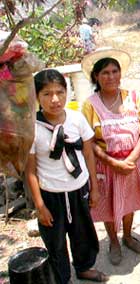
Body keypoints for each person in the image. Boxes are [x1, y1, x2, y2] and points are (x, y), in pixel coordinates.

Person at [25, 69, 108, 283]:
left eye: (60, 92)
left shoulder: (76, 118)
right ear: (36, 97)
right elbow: (30, 170)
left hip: (78, 189)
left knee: (83, 234)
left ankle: (84, 268)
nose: (55, 99)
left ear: (67, 92)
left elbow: (88, 153)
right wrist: (40, 205)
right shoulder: (32, 128)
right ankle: (63, 277)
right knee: (55, 241)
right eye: (47, 94)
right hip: (50, 194)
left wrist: (94, 188)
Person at [81, 48, 140, 265]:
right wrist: (112, 162)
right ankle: (113, 240)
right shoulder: (90, 105)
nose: (111, 76)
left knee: (130, 201)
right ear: (96, 76)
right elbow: (89, 141)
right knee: (108, 204)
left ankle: (128, 236)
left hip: (132, 162)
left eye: (115, 71)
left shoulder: (133, 97)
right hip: (106, 165)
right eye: (105, 72)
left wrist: (132, 158)